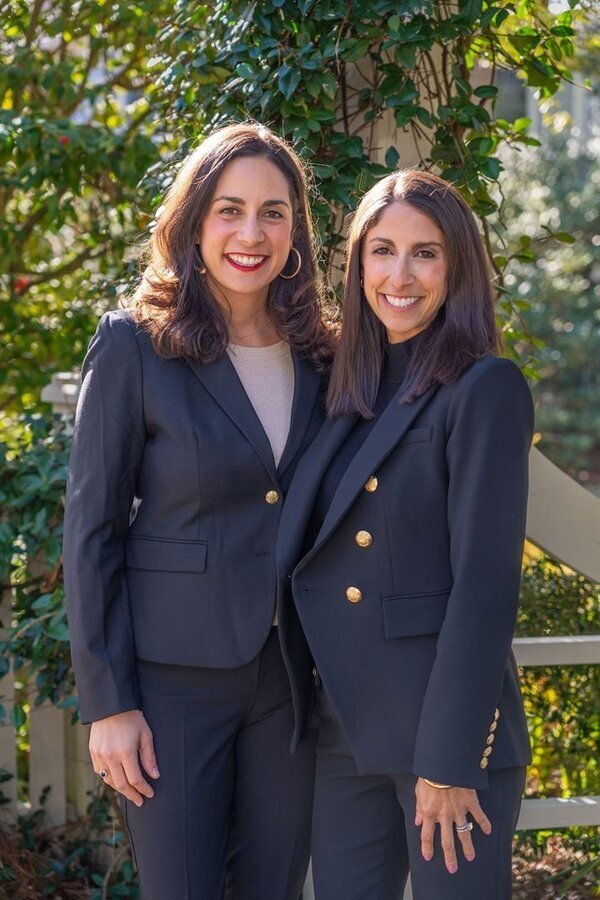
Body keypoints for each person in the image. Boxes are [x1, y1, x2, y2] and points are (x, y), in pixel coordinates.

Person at [63, 122, 334, 900]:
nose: (252, 234)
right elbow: (91, 532)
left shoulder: (325, 354)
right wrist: (109, 704)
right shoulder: (134, 346)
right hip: (171, 686)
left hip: (291, 681)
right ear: (194, 221)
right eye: (230, 210)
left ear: (295, 230)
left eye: (274, 213)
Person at [276, 169, 534, 899]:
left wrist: (451, 760)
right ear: (358, 264)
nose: (400, 276)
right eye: (382, 251)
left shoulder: (484, 387)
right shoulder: (345, 390)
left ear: (458, 267)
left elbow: (485, 588)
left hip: (444, 739)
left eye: (425, 253)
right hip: (344, 732)